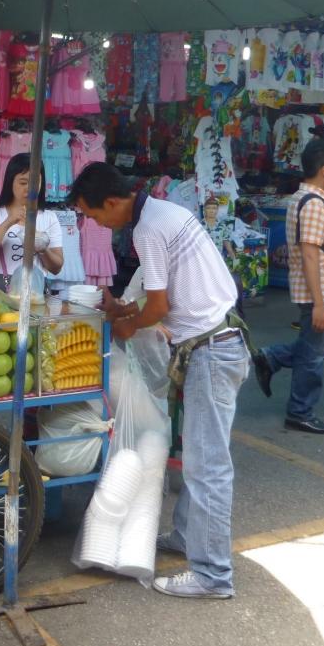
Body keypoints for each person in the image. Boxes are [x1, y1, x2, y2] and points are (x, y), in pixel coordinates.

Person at [69, 162, 249, 600]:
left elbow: (159, 307)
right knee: (202, 458)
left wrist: (126, 325)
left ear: (113, 202)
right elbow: (161, 297)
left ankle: (213, 575)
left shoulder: (148, 229)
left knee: (207, 467)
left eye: (94, 215)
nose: (97, 225)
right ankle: (187, 537)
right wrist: (126, 310)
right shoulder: (165, 212)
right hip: (218, 340)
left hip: (211, 349)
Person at [252, 137, 324, 436]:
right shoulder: (313, 205)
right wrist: (318, 303)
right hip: (318, 292)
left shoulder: (307, 199)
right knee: (313, 354)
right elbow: (309, 254)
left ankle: (273, 357)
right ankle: (300, 412)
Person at [0, 152, 64, 286]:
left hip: (35, 291)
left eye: (36, 182)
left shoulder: (49, 218)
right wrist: (7, 223)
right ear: (10, 182)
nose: (30, 188)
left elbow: (57, 268)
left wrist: (42, 249)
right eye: (23, 183)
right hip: (2, 291)